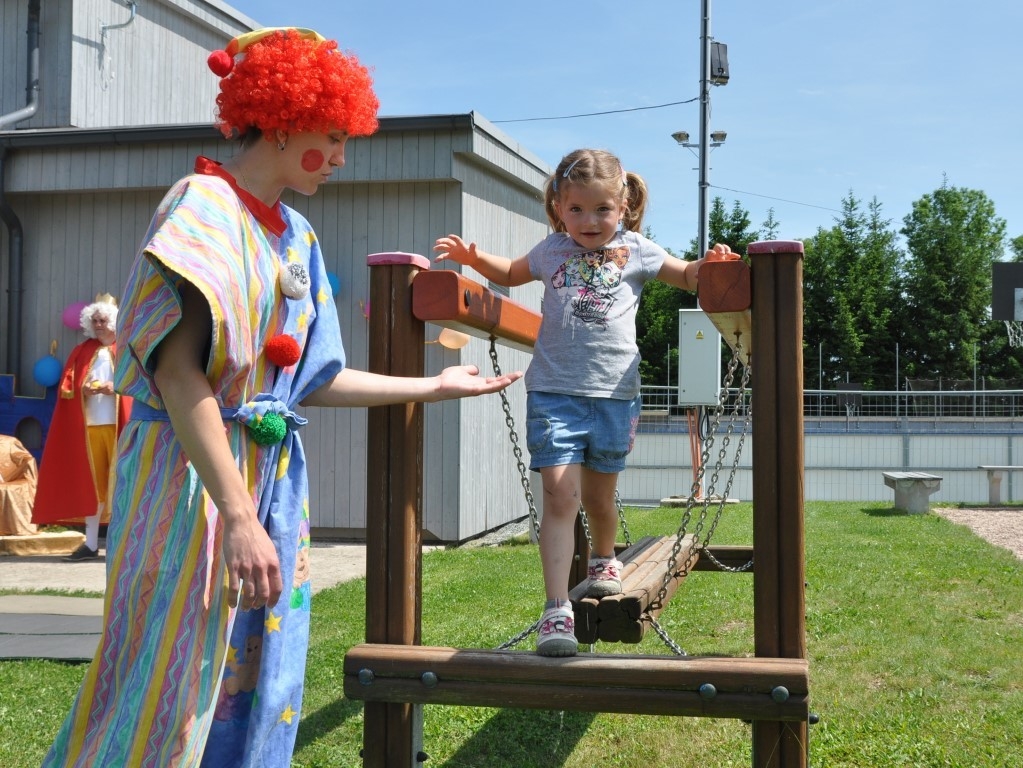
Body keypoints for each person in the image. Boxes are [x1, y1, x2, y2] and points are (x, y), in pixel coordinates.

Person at [42, 27, 521, 768]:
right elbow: (177, 373)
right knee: (165, 673)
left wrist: (433, 385)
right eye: (333, 137)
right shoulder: (201, 205)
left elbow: (314, 379)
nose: (341, 157)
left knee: (261, 673)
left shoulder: (298, 236)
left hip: (272, 483)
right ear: (284, 119)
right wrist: (237, 515)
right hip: (186, 481)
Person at [435, 148, 726, 657]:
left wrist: (712, 265)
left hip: (614, 395)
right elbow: (510, 272)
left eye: (602, 210)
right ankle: (556, 610)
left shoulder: (637, 249)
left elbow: (686, 275)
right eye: (577, 209)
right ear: (559, 207)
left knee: (599, 498)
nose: (589, 221)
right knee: (559, 497)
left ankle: (603, 558)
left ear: (623, 206)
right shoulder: (551, 250)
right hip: (554, 393)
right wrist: (475, 259)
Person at [31, 294, 132, 560]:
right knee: (93, 488)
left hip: (121, 428)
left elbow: (138, 384)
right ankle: (91, 544)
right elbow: (67, 387)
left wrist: (116, 388)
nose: (98, 325)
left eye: (103, 320)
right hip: (91, 429)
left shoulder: (127, 349)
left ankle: (122, 545)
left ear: (114, 321)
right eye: (94, 321)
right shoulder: (82, 351)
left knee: (124, 485)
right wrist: (82, 389)